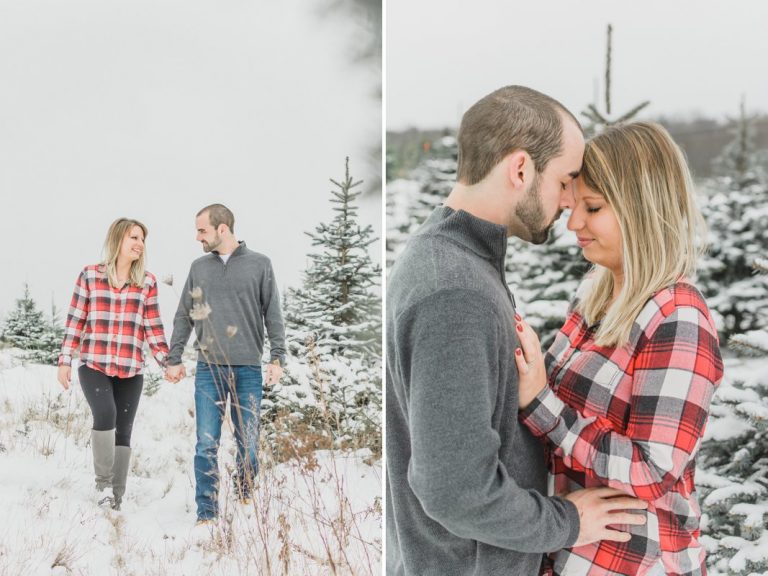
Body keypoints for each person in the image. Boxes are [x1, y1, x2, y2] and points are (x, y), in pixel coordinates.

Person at [386, 86, 649, 576]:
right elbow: (455, 491)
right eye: (567, 179)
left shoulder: (455, 260)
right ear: (521, 168)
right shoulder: (455, 291)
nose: (571, 200)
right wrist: (567, 522)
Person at [515, 122, 724, 576]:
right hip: (571, 555)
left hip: (636, 564)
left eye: (592, 207)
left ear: (640, 209)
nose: (573, 223)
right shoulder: (597, 291)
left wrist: (540, 404)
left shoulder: (676, 319)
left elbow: (652, 472)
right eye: (575, 205)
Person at [165, 203, 286, 525]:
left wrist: (278, 357)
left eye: (202, 230)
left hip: (248, 369)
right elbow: (184, 315)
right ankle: (207, 511)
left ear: (223, 229)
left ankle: (245, 490)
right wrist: (173, 357)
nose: (197, 237)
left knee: (248, 444)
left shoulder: (260, 264)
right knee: (206, 443)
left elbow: (272, 314)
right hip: (209, 369)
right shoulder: (199, 267)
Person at [57, 217, 169, 510]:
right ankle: (103, 485)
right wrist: (65, 360)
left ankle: (116, 495)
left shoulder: (147, 282)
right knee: (105, 413)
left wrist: (166, 362)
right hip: (94, 364)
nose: (139, 244)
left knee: (124, 428)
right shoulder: (90, 276)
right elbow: (75, 321)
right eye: (134, 237)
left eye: (142, 239)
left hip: (131, 369)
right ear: (118, 239)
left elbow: (153, 327)